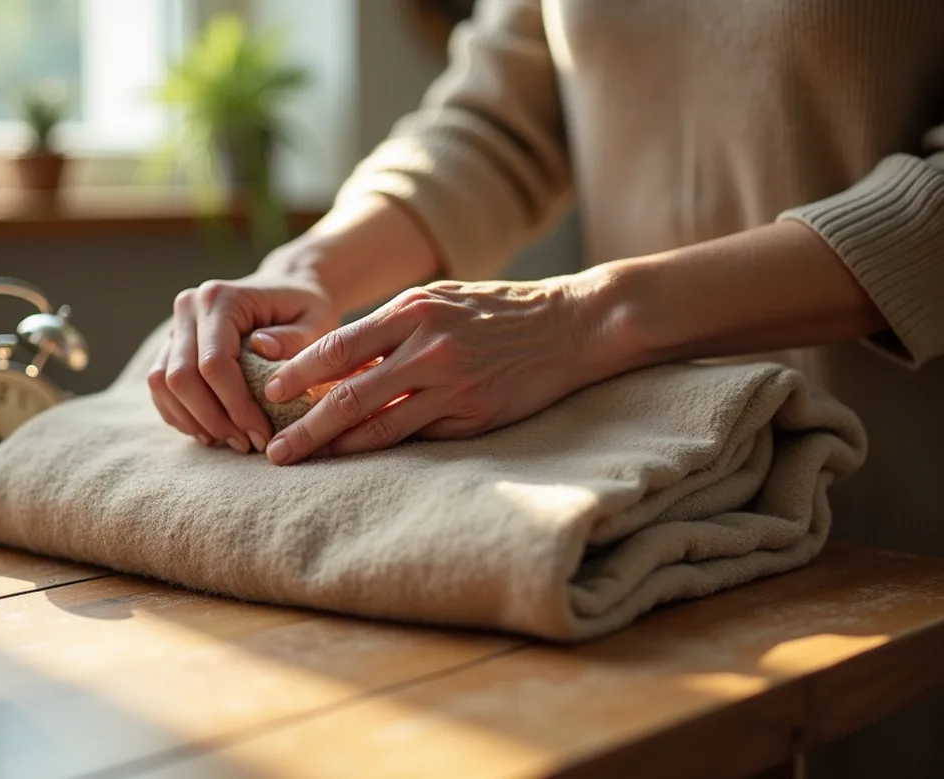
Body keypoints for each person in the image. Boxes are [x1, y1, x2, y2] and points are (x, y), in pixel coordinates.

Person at [149, 2, 944, 775]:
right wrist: (303, 270)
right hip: (666, 516)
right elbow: (495, 124)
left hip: (909, 519)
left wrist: (583, 318)